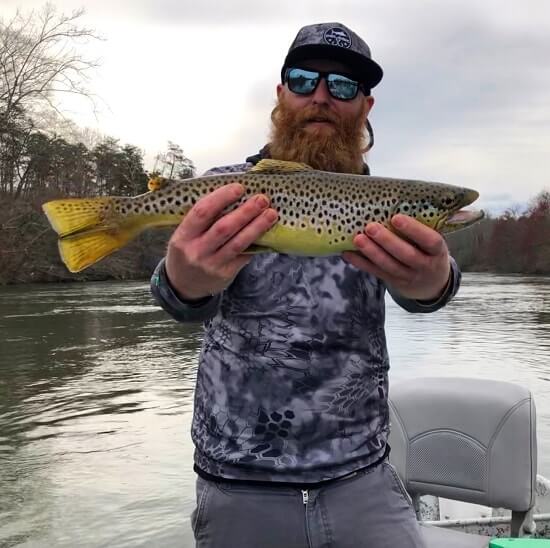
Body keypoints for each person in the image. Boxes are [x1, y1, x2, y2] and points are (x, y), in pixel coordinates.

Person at [151, 22, 458, 548]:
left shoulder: (384, 203)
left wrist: (435, 282)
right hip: (237, 481)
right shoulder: (224, 190)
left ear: (366, 106)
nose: (321, 96)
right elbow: (177, 297)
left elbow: (428, 291)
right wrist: (182, 279)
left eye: (342, 87)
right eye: (303, 80)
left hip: (362, 474)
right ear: (280, 94)